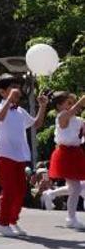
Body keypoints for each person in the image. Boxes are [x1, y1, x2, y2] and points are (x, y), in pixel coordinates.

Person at [0, 74, 48, 237]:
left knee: (21, 190)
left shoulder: (20, 111)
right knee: (9, 189)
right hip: (5, 153)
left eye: (18, 89)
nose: (17, 92)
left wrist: (42, 106)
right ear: (2, 92)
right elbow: (0, 118)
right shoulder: (0, 107)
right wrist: (9, 100)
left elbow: (36, 123)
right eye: (12, 89)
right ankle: (0, 222)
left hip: (19, 155)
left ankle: (12, 221)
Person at [48, 92, 85, 228]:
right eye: (69, 103)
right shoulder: (62, 116)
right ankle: (71, 218)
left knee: (74, 187)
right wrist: (81, 101)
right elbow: (73, 111)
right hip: (65, 154)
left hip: (76, 153)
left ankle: (50, 194)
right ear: (59, 106)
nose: (73, 106)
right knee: (75, 187)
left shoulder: (80, 120)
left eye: (73, 102)